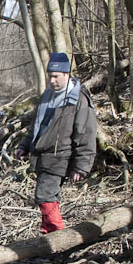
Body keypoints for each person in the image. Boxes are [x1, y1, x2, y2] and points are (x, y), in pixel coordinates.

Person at [15, 52, 97, 233]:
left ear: (67, 74)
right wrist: (24, 146)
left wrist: (81, 167)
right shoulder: (47, 95)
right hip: (42, 157)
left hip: (60, 157)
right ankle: (48, 236)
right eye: (50, 76)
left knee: (45, 196)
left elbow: (86, 135)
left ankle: (58, 237)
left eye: (56, 76)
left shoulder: (79, 100)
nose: (52, 80)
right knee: (47, 197)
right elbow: (37, 126)